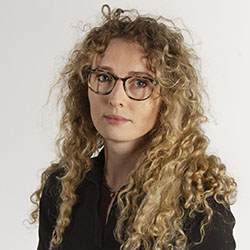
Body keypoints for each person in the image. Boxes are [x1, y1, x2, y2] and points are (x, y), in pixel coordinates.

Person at [30, 4, 237, 250]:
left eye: (140, 82)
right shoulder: (62, 187)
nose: (116, 97)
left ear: (168, 98)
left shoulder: (198, 203)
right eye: (104, 77)